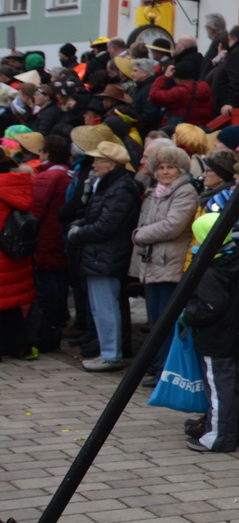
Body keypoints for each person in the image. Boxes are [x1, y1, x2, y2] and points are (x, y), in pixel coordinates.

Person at [182, 213, 239, 454]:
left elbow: (210, 306)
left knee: (217, 387)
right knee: (234, 384)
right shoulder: (235, 258)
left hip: (215, 337)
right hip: (234, 333)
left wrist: (187, 315)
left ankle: (218, 437)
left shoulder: (211, 269)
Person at [70, 141, 142, 371]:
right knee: (99, 308)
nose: (94, 164)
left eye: (98, 160)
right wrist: (79, 224)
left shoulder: (120, 189)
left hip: (107, 256)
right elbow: (94, 216)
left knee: (106, 308)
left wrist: (78, 233)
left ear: (111, 164)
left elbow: (106, 226)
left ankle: (111, 355)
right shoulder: (107, 185)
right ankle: (107, 352)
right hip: (98, 255)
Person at [130, 144, 200, 345]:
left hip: (171, 263)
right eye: (160, 168)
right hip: (153, 263)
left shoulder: (185, 192)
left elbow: (173, 226)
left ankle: (165, 368)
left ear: (180, 169)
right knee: (155, 319)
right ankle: (157, 364)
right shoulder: (155, 192)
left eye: (170, 167)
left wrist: (139, 235)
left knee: (166, 320)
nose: (165, 172)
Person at [31, 134, 73, 353]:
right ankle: (56, 324)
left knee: (48, 285)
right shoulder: (67, 172)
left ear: (46, 153)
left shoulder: (48, 176)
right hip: (60, 236)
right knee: (59, 282)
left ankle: (50, 329)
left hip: (47, 239)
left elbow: (36, 209)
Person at [0, 150, 36, 360]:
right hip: (14, 255)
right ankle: (19, 347)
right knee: (10, 304)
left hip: (3, 254)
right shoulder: (18, 183)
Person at [151, 63, 218, 129]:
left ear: (178, 79)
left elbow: (154, 95)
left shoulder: (181, 91)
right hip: (199, 130)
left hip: (181, 130)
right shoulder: (205, 88)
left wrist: (165, 77)